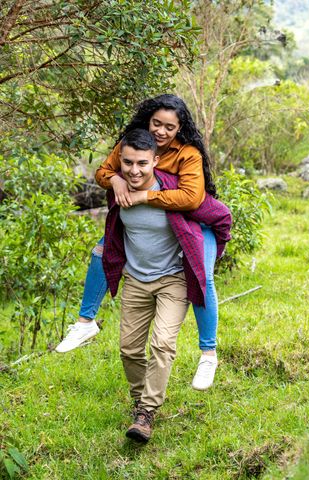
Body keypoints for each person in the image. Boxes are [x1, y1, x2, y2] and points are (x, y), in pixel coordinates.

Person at [55, 94, 228, 391]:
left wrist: (144, 195)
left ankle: (208, 354)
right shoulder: (132, 144)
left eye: (169, 127)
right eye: (156, 123)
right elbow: (103, 172)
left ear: (179, 128)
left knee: (204, 277)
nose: (161, 131)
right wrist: (118, 181)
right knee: (101, 251)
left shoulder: (187, 154)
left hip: (195, 221)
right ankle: (85, 323)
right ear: (147, 120)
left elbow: (191, 198)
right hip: (156, 223)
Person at [104, 129, 229, 442]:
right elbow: (107, 191)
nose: (134, 170)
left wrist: (212, 253)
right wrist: (114, 180)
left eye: (142, 164)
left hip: (172, 279)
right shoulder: (117, 191)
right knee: (129, 349)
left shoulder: (174, 192)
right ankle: (139, 401)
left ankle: (146, 412)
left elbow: (218, 214)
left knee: (162, 343)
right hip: (135, 279)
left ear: (155, 161)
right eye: (128, 163)